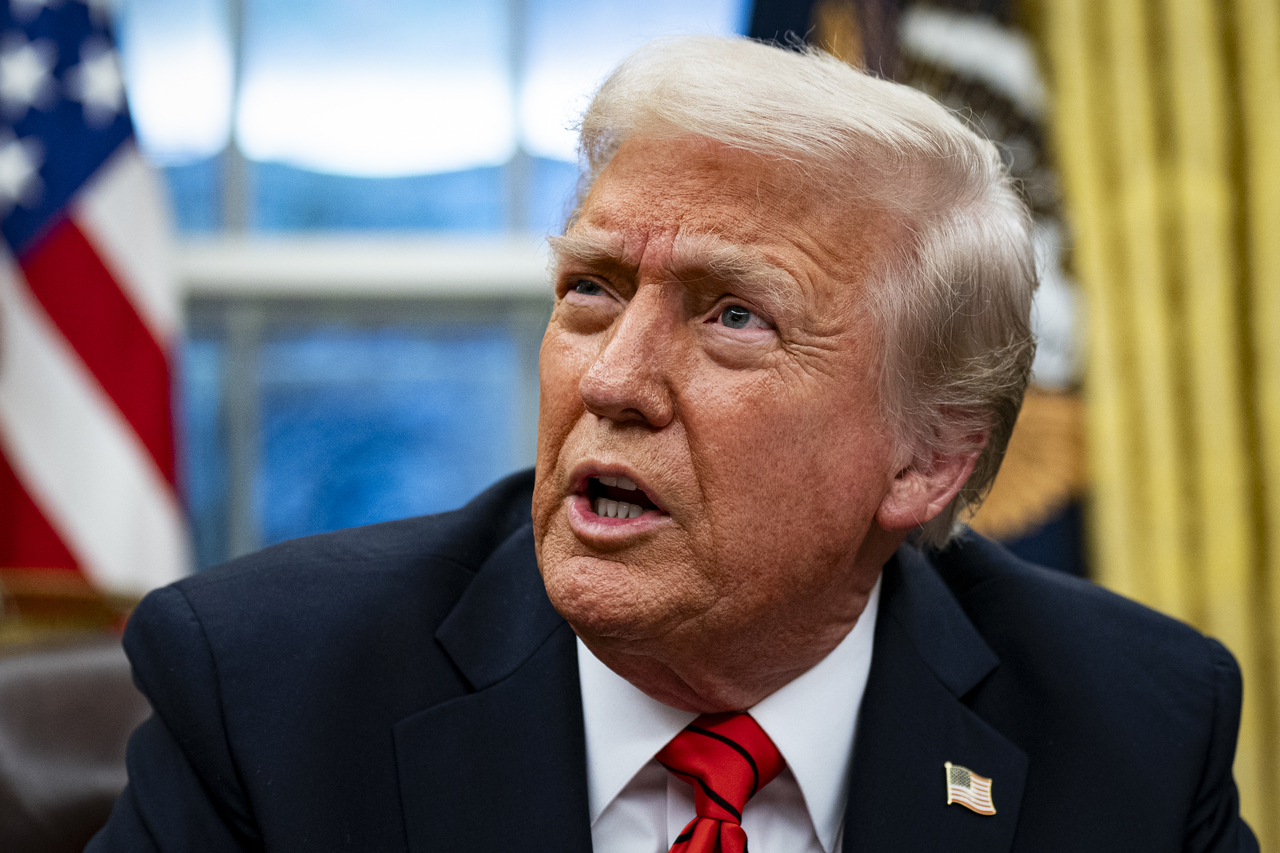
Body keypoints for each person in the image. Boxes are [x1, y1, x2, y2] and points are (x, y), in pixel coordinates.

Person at [90, 36, 1256, 852]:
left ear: (926, 460)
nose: (611, 377)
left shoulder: (1131, 728)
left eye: (732, 316)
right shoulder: (267, 689)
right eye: (590, 290)